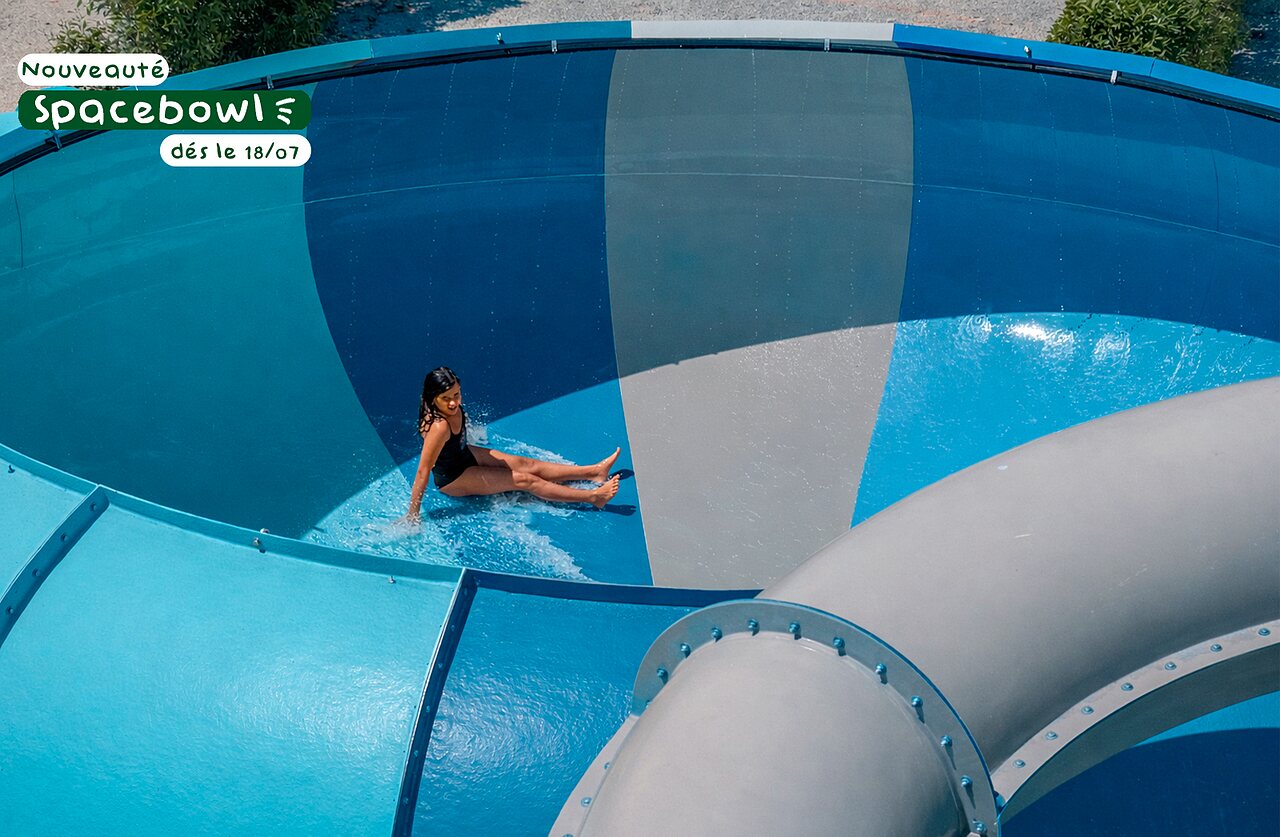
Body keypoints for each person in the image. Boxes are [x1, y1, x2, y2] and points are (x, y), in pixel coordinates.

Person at [402, 367, 620, 523]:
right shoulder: (438, 427)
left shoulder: (452, 407)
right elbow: (423, 471)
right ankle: (594, 497)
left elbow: (459, 438)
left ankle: (593, 472)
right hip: (453, 478)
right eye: (445, 398)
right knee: (525, 480)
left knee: (525, 464)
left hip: (464, 454)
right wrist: (413, 513)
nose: (453, 402)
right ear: (433, 398)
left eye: (456, 394)